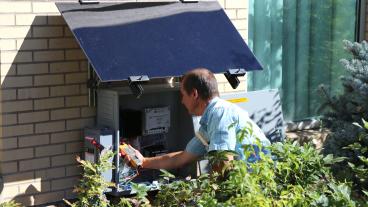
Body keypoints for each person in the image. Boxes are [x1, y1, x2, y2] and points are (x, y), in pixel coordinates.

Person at [126, 68, 271, 170]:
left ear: (194, 94)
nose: (182, 101)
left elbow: (224, 161)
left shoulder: (220, 113)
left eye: (182, 95)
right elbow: (182, 158)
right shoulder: (209, 122)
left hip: (256, 187)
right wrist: (143, 161)